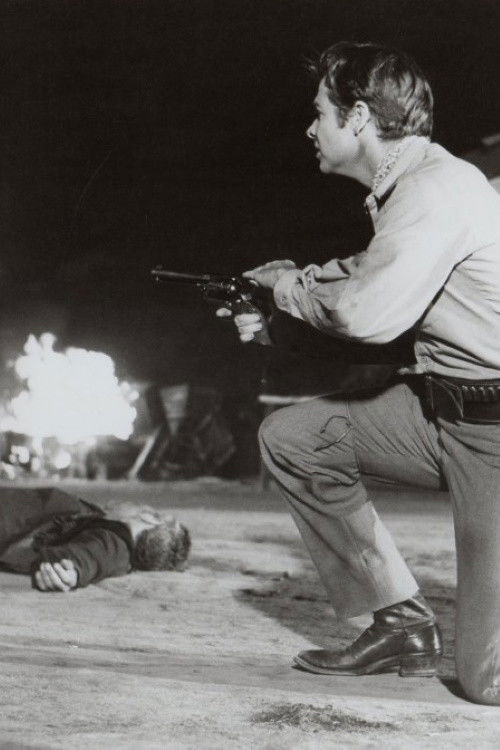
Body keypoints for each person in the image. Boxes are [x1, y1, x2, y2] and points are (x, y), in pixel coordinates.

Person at [217, 41, 500, 705]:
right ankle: (401, 623)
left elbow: (365, 314)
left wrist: (287, 291)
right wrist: (281, 301)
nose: (310, 127)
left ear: (361, 117)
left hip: (494, 435)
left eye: (320, 111)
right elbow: (371, 291)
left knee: (488, 680)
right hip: (443, 414)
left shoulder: (434, 190)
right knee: (296, 438)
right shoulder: (409, 188)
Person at [0, 486, 191, 591]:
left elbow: (89, 557)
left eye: (141, 506)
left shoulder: (115, 545)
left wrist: (72, 572)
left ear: (150, 517)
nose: (131, 503)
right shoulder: (108, 532)